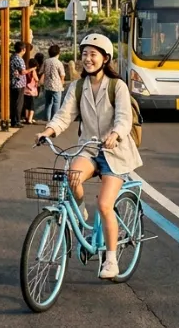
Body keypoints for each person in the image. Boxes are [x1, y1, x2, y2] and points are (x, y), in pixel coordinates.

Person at [36, 33, 142, 280]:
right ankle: (81, 213)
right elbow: (64, 115)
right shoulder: (78, 86)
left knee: (105, 205)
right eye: (84, 54)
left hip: (115, 151)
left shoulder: (118, 87)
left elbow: (124, 118)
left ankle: (112, 260)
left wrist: (115, 134)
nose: (87, 59)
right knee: (71, 175)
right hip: (90, 147)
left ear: (105, 58)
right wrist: (48, 131)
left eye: (93, 54)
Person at [39, 44, 66, 121]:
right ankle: (54, 119)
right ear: (58, 53)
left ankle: (46, 118)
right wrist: (62, 82)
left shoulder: (46, 61)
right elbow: (62, 75)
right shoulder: (58, 63)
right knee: (56, 103)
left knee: (48, 103)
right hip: (57, 86)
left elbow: (41, 71)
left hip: (47, 85)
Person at [9, 42, 26, 128]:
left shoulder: (12, 57)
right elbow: (22, 71)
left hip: (14, 83)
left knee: (14, 102)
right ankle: (17, 121)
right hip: (19, 83)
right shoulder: (19, 59)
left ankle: (14, 120)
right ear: (23, 50)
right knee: (18, 103)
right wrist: (31, 69)